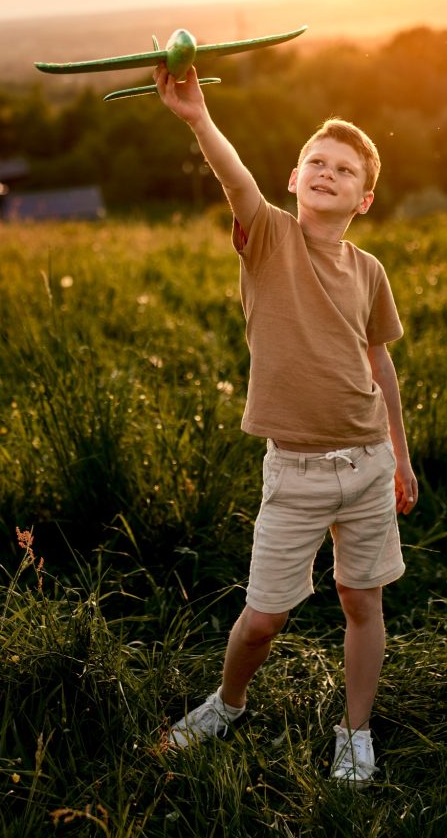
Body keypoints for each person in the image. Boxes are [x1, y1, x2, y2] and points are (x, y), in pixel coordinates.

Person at [153, 63, 418, 787]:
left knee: (362, 602)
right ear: (295, 179)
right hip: (295, 472)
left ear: (363, 197)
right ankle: (228, 703)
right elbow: (236, 180)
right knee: (263, 619)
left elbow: (380, 367)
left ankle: (355, 731)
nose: (326, 172)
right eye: (315, 163)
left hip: (366, 463)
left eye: (344, 169)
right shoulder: (268, 238)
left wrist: (401, 456)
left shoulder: (370, 271)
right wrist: (198, 119)